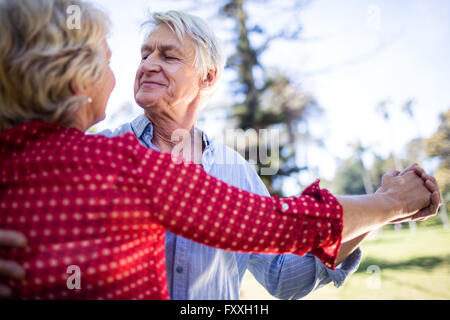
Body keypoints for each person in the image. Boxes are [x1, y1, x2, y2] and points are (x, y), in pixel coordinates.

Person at [0, 2, 441, 300]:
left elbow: (285, 279)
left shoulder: (236, 170)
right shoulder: (102, 152)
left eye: (168, 56)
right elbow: (282, 223)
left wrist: (372, 218)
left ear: (208, 79)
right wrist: (390, 203)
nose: (147, 64)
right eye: (144, 53)